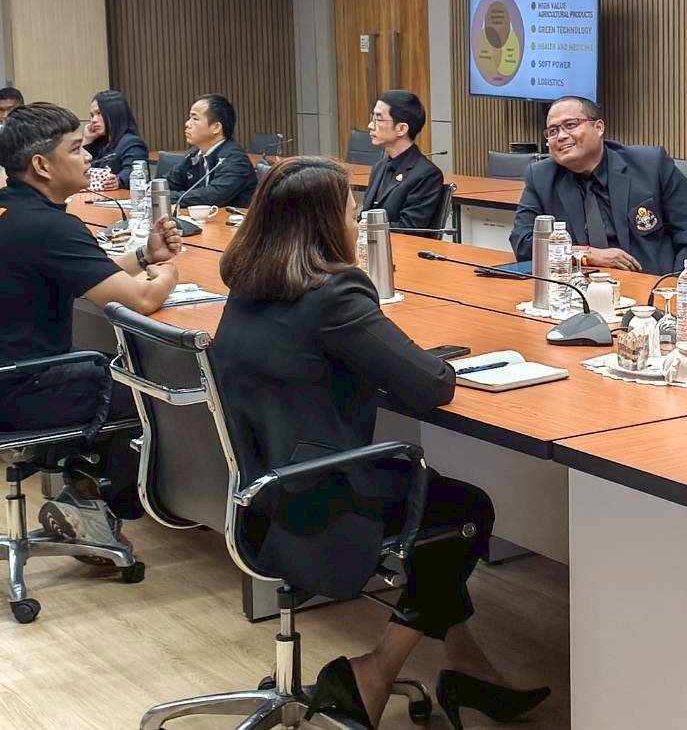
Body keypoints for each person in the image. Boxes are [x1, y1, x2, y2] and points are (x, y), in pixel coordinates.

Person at [212, 157, 550, 730]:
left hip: (261, 491)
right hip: (319, 497)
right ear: (325, 225)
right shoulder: (335, 293)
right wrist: (419, 359)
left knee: (435, 515)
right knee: (463, 512)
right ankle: (375, 669)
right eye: (350, 212)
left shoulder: (248, 285)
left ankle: (468, 668)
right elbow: (430, 386)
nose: (356, 221)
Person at [0, 103, 182, 553]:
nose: (88, 158)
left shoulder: (12, 212)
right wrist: (168, 274)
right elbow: (142, 300)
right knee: (153, 388)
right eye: (76, 149)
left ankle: (80, 490)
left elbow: (84, 275)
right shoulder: (51, 227)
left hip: (11, 375)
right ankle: (93, 501)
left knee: (109, 364)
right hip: (23, 390)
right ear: (42, 165)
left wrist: (144, 257)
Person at [510, 95, 687, 275]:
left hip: (649, 287)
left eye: (570, 125)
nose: (561, 136)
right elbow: (523, 244)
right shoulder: (541, 177)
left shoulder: (650, 165)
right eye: (552, 131)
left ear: (599, 128)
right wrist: (587, 255)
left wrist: (675, 287)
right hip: (577, 290)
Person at [361, 90, 446, 232]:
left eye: (378, 119)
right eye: (372, 117)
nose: (370, 125)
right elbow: (366, 214)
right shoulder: (380, 166)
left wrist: (363, 227)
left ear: (401, 129)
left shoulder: (427, 174)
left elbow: (410, 228)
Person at [165, 94, 256, 208]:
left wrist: (164, 197)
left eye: (195, 118)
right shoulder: (195, 154)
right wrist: (153, 190)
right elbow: (169, 182)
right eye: (189, 118)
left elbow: (213, 196)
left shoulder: (235, 159)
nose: (187, 124)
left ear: (216, 127)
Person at [84, 89, 149, 189]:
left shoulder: (132, 142)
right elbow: (79, 168)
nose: (93, 120)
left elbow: (134, 171)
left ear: (114, 114)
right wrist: (87, 140)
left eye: (99, 113)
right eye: (92, 115)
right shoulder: (100, 142)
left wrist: (119, 180)